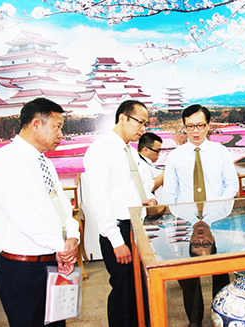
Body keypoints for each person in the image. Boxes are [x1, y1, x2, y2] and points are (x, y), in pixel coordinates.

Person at [0, 97, 79, 327]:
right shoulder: (4, 161)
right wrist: (61, 246)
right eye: (57, 127)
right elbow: (24, 217)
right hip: (23, 270)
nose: (61, 134)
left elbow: (62, 207)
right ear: (36, 124)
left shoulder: (44, 162)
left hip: (53, 263)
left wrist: (72, 237)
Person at [162, 104, 238, 327]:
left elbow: (231, 185)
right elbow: (170, 193)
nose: (195, 131)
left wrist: (213, 213)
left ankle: (220, 316)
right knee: (190, 277)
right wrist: (190, 218)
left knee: (221, 274)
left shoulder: (220, 152)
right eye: (190, 126)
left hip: (218, 221)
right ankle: (194, 322)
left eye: (200, 126)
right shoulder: (175, 156)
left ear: (208, 126)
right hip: (187, 223)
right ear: (184, 127)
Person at [83, 100, 156, 327]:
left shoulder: (129, 152)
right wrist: (116, 240)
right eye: (139, 122)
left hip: (135, 228)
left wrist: (147, 198)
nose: (143, 128)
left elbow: (138, 184)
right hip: (118, 230)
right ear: (122, 118)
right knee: (123, 293)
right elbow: (99, 198)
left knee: (139, 291)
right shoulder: (101, 150)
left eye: (145, 123)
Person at [138, 132, 164, 200]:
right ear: (145, 149)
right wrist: (164, 173)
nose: (158, 154)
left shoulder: (147, 163)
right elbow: (149, 186)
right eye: (157, 151)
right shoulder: (140, 164)